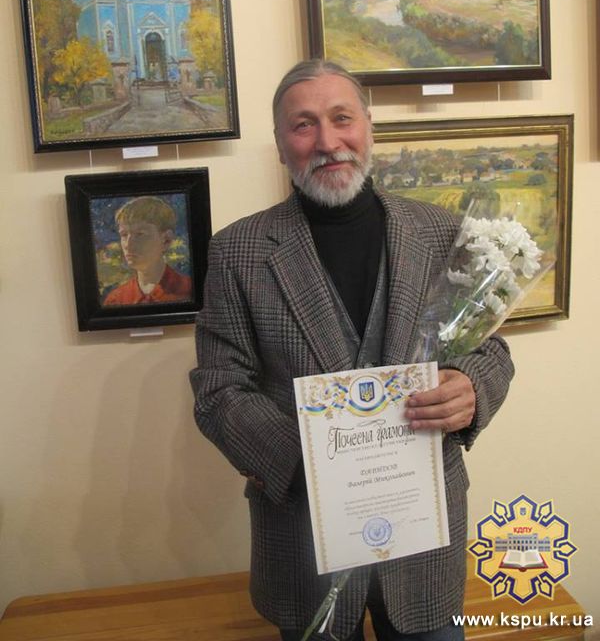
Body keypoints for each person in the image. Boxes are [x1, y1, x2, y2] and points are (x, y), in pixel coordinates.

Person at [189, 60, 514, 641]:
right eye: (303, 125)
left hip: (425, 537)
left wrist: (471, 386)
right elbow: (218, 389)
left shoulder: (442, 232)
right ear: (280, 144)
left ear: (369, 126)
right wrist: (312, 465)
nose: (327, 141)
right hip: (303, 536)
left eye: (342, 118)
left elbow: (489, 349)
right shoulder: (237, 251)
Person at [103, 195, 191, 306]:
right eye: (124, 235)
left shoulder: (189, 291)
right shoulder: (116, 299)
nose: (128, 245)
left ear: (166, 240)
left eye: (140, 234)